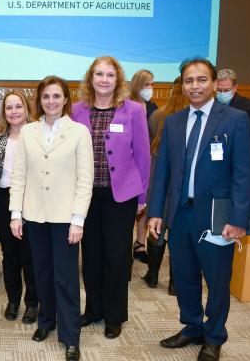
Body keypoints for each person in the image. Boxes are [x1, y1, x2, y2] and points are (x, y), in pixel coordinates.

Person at [148, 57, 250, 361]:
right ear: (183, 85)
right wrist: (156, 212)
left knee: (218, 279)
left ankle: (215, 334)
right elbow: (163, 171)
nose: (195, 85)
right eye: (189, 80)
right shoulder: (174, 121)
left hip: (217, 216)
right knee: (184, 275)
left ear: (214, 82)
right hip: (180, 214)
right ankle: (192, 326)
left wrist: (239, 218)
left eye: (201, 79)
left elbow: (244, 173)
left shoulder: (234, 119)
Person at [9, 76, 93, 361]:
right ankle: (46, 321)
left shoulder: (79, 132)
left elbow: (85, 180)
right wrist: (15, 214)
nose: (51, 101)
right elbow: (19, 175)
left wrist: (78, 219)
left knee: (66, 278)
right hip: (34, 216)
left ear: (66, 99)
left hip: (65, 218)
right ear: (39, 100)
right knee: (41, 273)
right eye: (46, 96)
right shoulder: (29, 131)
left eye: (56, 96)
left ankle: (70, 336)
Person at [72, 56, 150, 339]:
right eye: (99, 74)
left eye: (110, 75)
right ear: (90, 78)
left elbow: (142, 155)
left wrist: (142, 195)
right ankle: (93, 310)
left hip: (122, 196)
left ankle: (114, 316)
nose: (104, 80)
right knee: (90, 255)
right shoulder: (76, 111)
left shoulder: (134, 111)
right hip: (87, 195)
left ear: (118, 80)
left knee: (117, 257)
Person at [0, 90, 38, 324]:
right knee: (10, 255)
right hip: (3, 200)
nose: (14, 111)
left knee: (30, 255)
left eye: (18, 106)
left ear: (26, 109)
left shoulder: (38, 136)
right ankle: (13, 300)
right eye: (9, 108)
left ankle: (33, 303)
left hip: (32, 201)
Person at [142, 77, 188, 294]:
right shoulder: (191, 117)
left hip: (158, 173)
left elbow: (148, 145)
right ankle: (174, 283)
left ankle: (152, 275)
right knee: (178, 230)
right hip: (182, 179)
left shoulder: (158, 115)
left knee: (157, 226)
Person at [128, 69, 158, 263]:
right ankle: (125, 243)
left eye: (152, 85)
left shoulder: (153, 107)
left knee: (143, 205)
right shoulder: (125, 104)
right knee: (129, 206)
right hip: (129, 164)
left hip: (147, 161)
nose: (150, 89)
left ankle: (140, 243)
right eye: (147, 84)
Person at [215, 68, 250, 133]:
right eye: (219, 90)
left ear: (235, 88)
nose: (222, 93)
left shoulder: (248, 105)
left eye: (226, 90)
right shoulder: (211, 104)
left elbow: (249, 131)